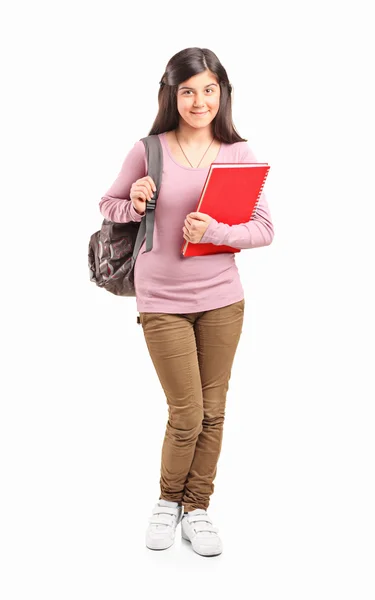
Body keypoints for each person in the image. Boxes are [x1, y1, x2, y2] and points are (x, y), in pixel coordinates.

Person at [99, 47, 274, 557]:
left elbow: (264, 228)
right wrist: (132, 201)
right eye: (188, 91)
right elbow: (106, 204)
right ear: (172, 96)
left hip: (223, 299)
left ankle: (197, 508)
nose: (199, 101)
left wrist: (217, 230)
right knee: (187, 410)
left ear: (222, 93)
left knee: (214, 412)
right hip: (162, 299)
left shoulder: (239, 153)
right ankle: (166, 501)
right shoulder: (148, 149)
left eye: (209, 90)